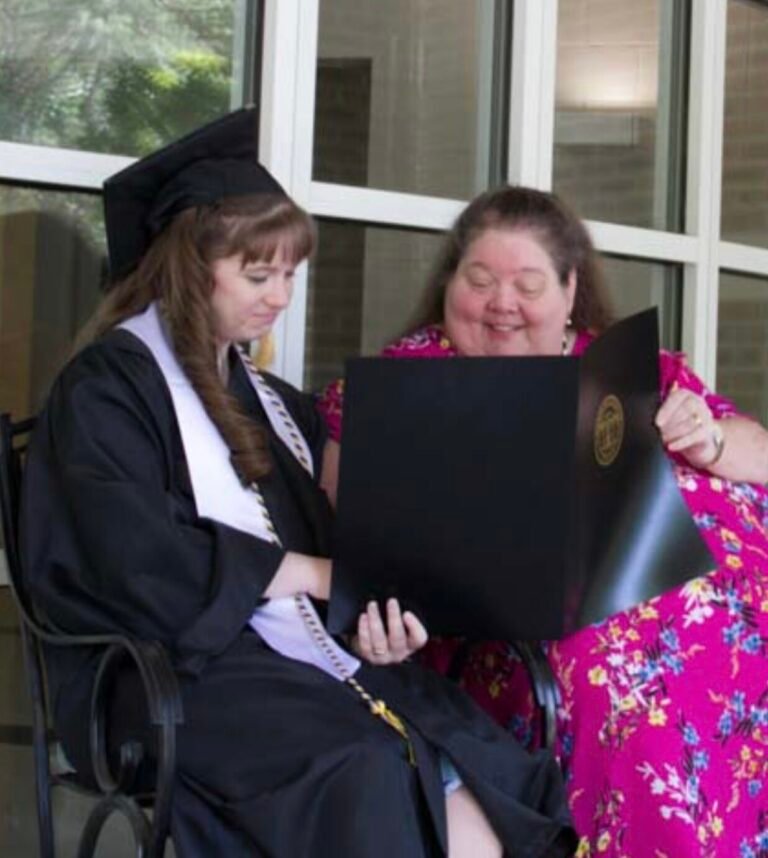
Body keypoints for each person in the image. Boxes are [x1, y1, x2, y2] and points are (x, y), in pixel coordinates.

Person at [19, 111, 576, 858]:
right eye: (259, 275)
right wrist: (316, 575)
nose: (280, 296)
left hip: (284, 666)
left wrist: (375, 615)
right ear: (188, 268)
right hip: (164, 676)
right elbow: (136, 559)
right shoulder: (107, 389)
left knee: (479, 755)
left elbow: (355, 536)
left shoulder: (272, 404)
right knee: (368, 766)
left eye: (289, 274)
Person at [318, 185, 768, 858]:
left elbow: (760, 453)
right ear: (449, 282)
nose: (501, 303)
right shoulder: (398, 385)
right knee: (613, 677)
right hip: (525, 631)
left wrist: (709, 440)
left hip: (715, 605)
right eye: (479, 281)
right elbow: (354, 529)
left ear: (570, 289)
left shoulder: (630, 368)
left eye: (528, 285)